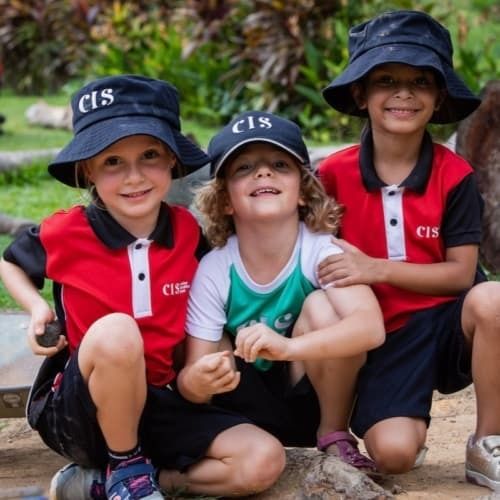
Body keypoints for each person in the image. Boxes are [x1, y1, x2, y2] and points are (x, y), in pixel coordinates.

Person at [0, 76, 291, 500]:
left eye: (150, 155)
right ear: (88, 170)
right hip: (84, 411)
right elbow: (11, 263)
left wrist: (218, 358)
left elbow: (208, 305)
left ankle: (113, 484)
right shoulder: (66, 231)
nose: (134, 176)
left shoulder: (187, 231)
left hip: (163, 400)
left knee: (263, 459)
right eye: (113, 161)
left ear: (172, 160)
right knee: (118, 330)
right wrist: (36, 308)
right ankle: (124, 464)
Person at [316, 9, 500, 493]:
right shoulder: (332, 176)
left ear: (439, 97)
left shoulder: (454, 173)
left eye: (421, 81)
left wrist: (375, 267)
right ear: (361, 94)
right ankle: (396, 422)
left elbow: (461, 276)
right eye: (387, 81)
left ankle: (487, 441)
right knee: (394, 455)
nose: (404, 93)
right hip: (384, 334)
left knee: (494, 300)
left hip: (449, 323)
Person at [176, 110, 385, 480]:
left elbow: (370, 328)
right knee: (218, 344)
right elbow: (193, 383)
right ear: (225, 200)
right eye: (244, 168)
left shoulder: (322, 251)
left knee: (322, 305)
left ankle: (334, 434)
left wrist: (287, 348)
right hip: (243, 412)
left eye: (279, 164)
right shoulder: (214, 269)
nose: (263, 173)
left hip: (308, 398)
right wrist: (201, 379)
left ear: (304, 191)